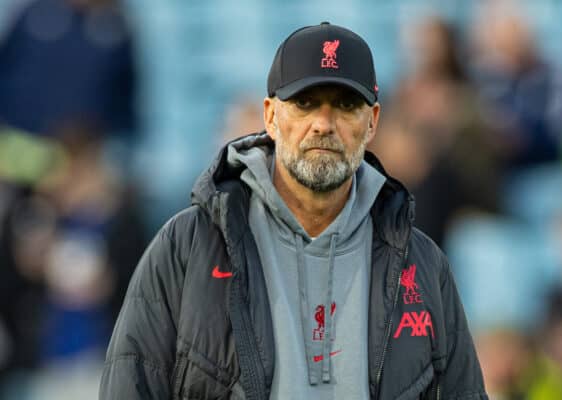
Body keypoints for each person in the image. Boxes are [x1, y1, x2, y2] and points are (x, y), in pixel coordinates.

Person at [99, 22, 487, 400]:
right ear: (270, 116)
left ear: (372, 123)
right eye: (304, 103)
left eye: (346, 105)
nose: (323, 124)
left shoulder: (422, 264)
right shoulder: (186, 247)